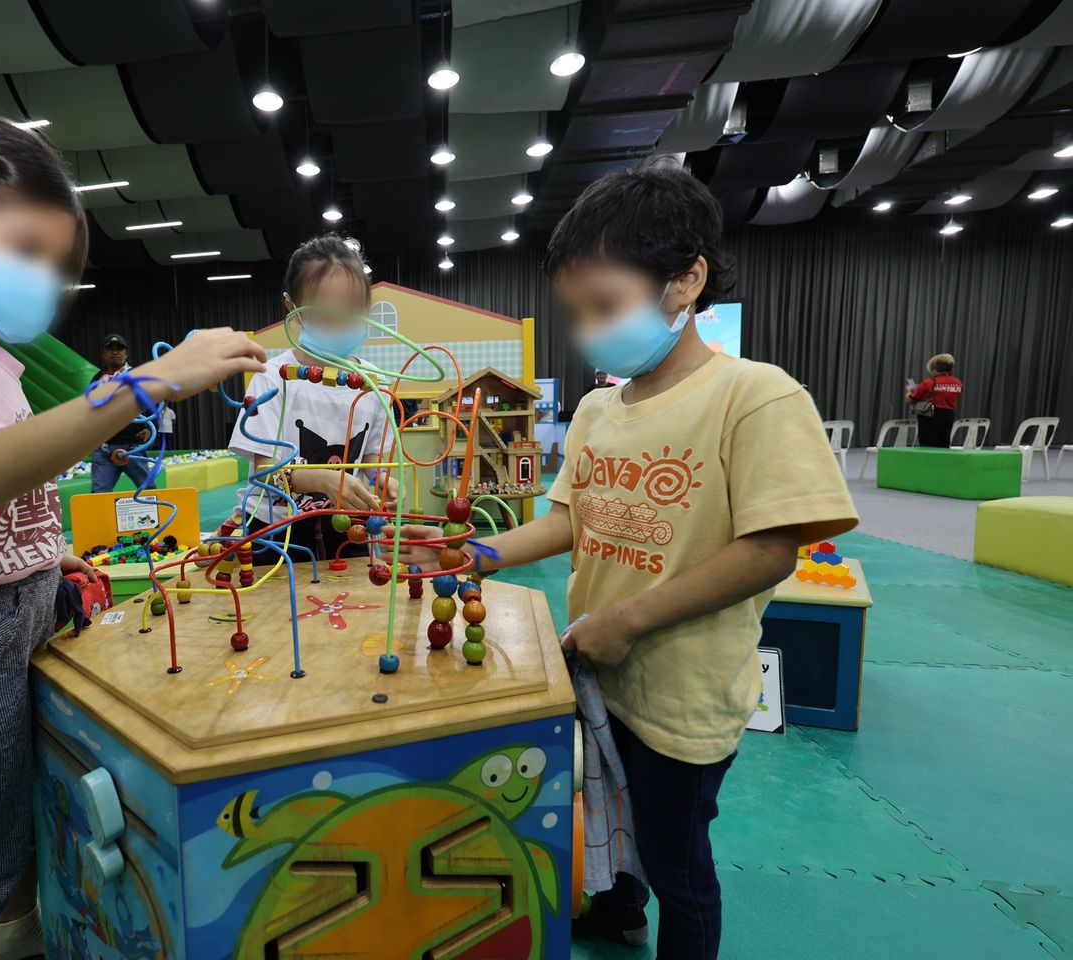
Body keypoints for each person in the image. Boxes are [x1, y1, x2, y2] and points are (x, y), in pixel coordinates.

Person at [403, 165, 857, 959]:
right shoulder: (597, 409)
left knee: (676, 858)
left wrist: (628, 619)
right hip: (601, 665)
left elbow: (769, 550)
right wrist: (477, 553)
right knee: (605, 800)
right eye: (577, 312)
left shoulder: (755, 396)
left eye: (605, 306)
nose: (589, 329)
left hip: (683, 691)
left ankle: (660, 918)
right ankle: (618, 908)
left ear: (686, 280)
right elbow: (567, 519)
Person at [0, 113, 265, 960]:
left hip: (20, 600)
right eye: (24, 248)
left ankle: (21, 936)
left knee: (24, 809)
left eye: (55, 262)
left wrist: (42, 550)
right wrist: (145, 384)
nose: (41, 277)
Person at [228, 234, 396, 561]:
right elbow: (265, 470)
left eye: (351, 311)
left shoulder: (374, 382)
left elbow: (373, 457)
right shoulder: (271, 378)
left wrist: (383, 482)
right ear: (292, 308)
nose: (339, 323)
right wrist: (321, 479)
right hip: (275, 530)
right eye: (324, 314)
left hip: (346, 526)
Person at [89, 333, 152, 492]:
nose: (115, 352)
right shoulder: (96, 380)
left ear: (126, 353)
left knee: (148, 490)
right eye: (110, 349)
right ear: (103, 353)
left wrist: (150, 427)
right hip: (103, 446)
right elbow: (90, 409)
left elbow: (154, 401)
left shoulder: (137, 375)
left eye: (119, 349)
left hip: (132, 445)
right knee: (99, 494)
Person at [906, 353, 962, 447]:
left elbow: (912, 399)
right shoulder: (958, 383)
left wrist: (909, 392)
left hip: (930, 416)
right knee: (944, 445)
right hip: (948, 416)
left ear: (935, 369)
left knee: (928, 445)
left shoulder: (928, 383)